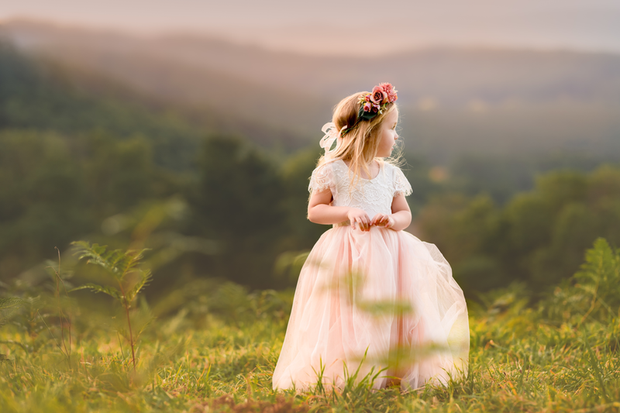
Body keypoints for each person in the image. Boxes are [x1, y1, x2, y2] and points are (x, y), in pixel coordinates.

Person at [272, 83, 469, 391]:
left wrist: (393, 220)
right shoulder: (334, 170)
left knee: (395, 306)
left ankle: (394, 369)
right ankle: (355, 367)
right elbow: (316, 210)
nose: (397, 135)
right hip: (348, 252)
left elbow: (404, 213)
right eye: (392, 128)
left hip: (392, 253)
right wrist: (347, 212)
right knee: (352, 310)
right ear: (371, 131)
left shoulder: (390, 174)